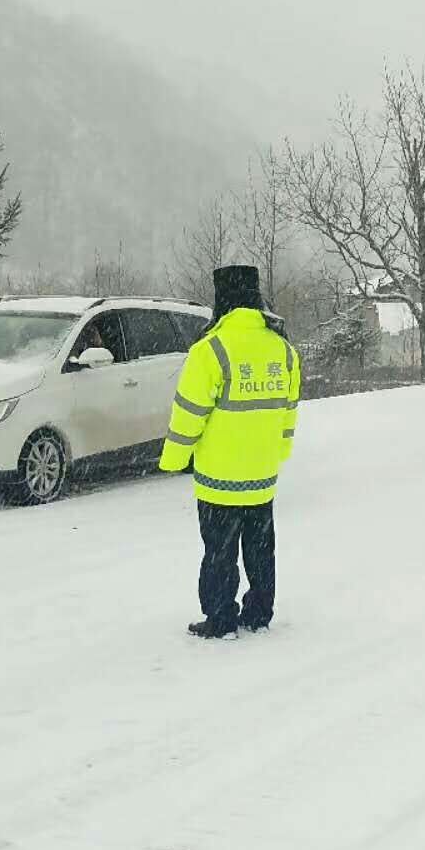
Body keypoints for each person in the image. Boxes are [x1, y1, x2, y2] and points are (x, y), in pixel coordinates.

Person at [159, 265, 301, 639]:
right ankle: (258, 612)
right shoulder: (282, 349)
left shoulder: (210, 350)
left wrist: (173, 460)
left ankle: (221, 617)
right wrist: (278, 454)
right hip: (262, 475)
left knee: (220, 552)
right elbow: (288, 412)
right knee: (260, 549)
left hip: (219, 477)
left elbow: (188, 414)